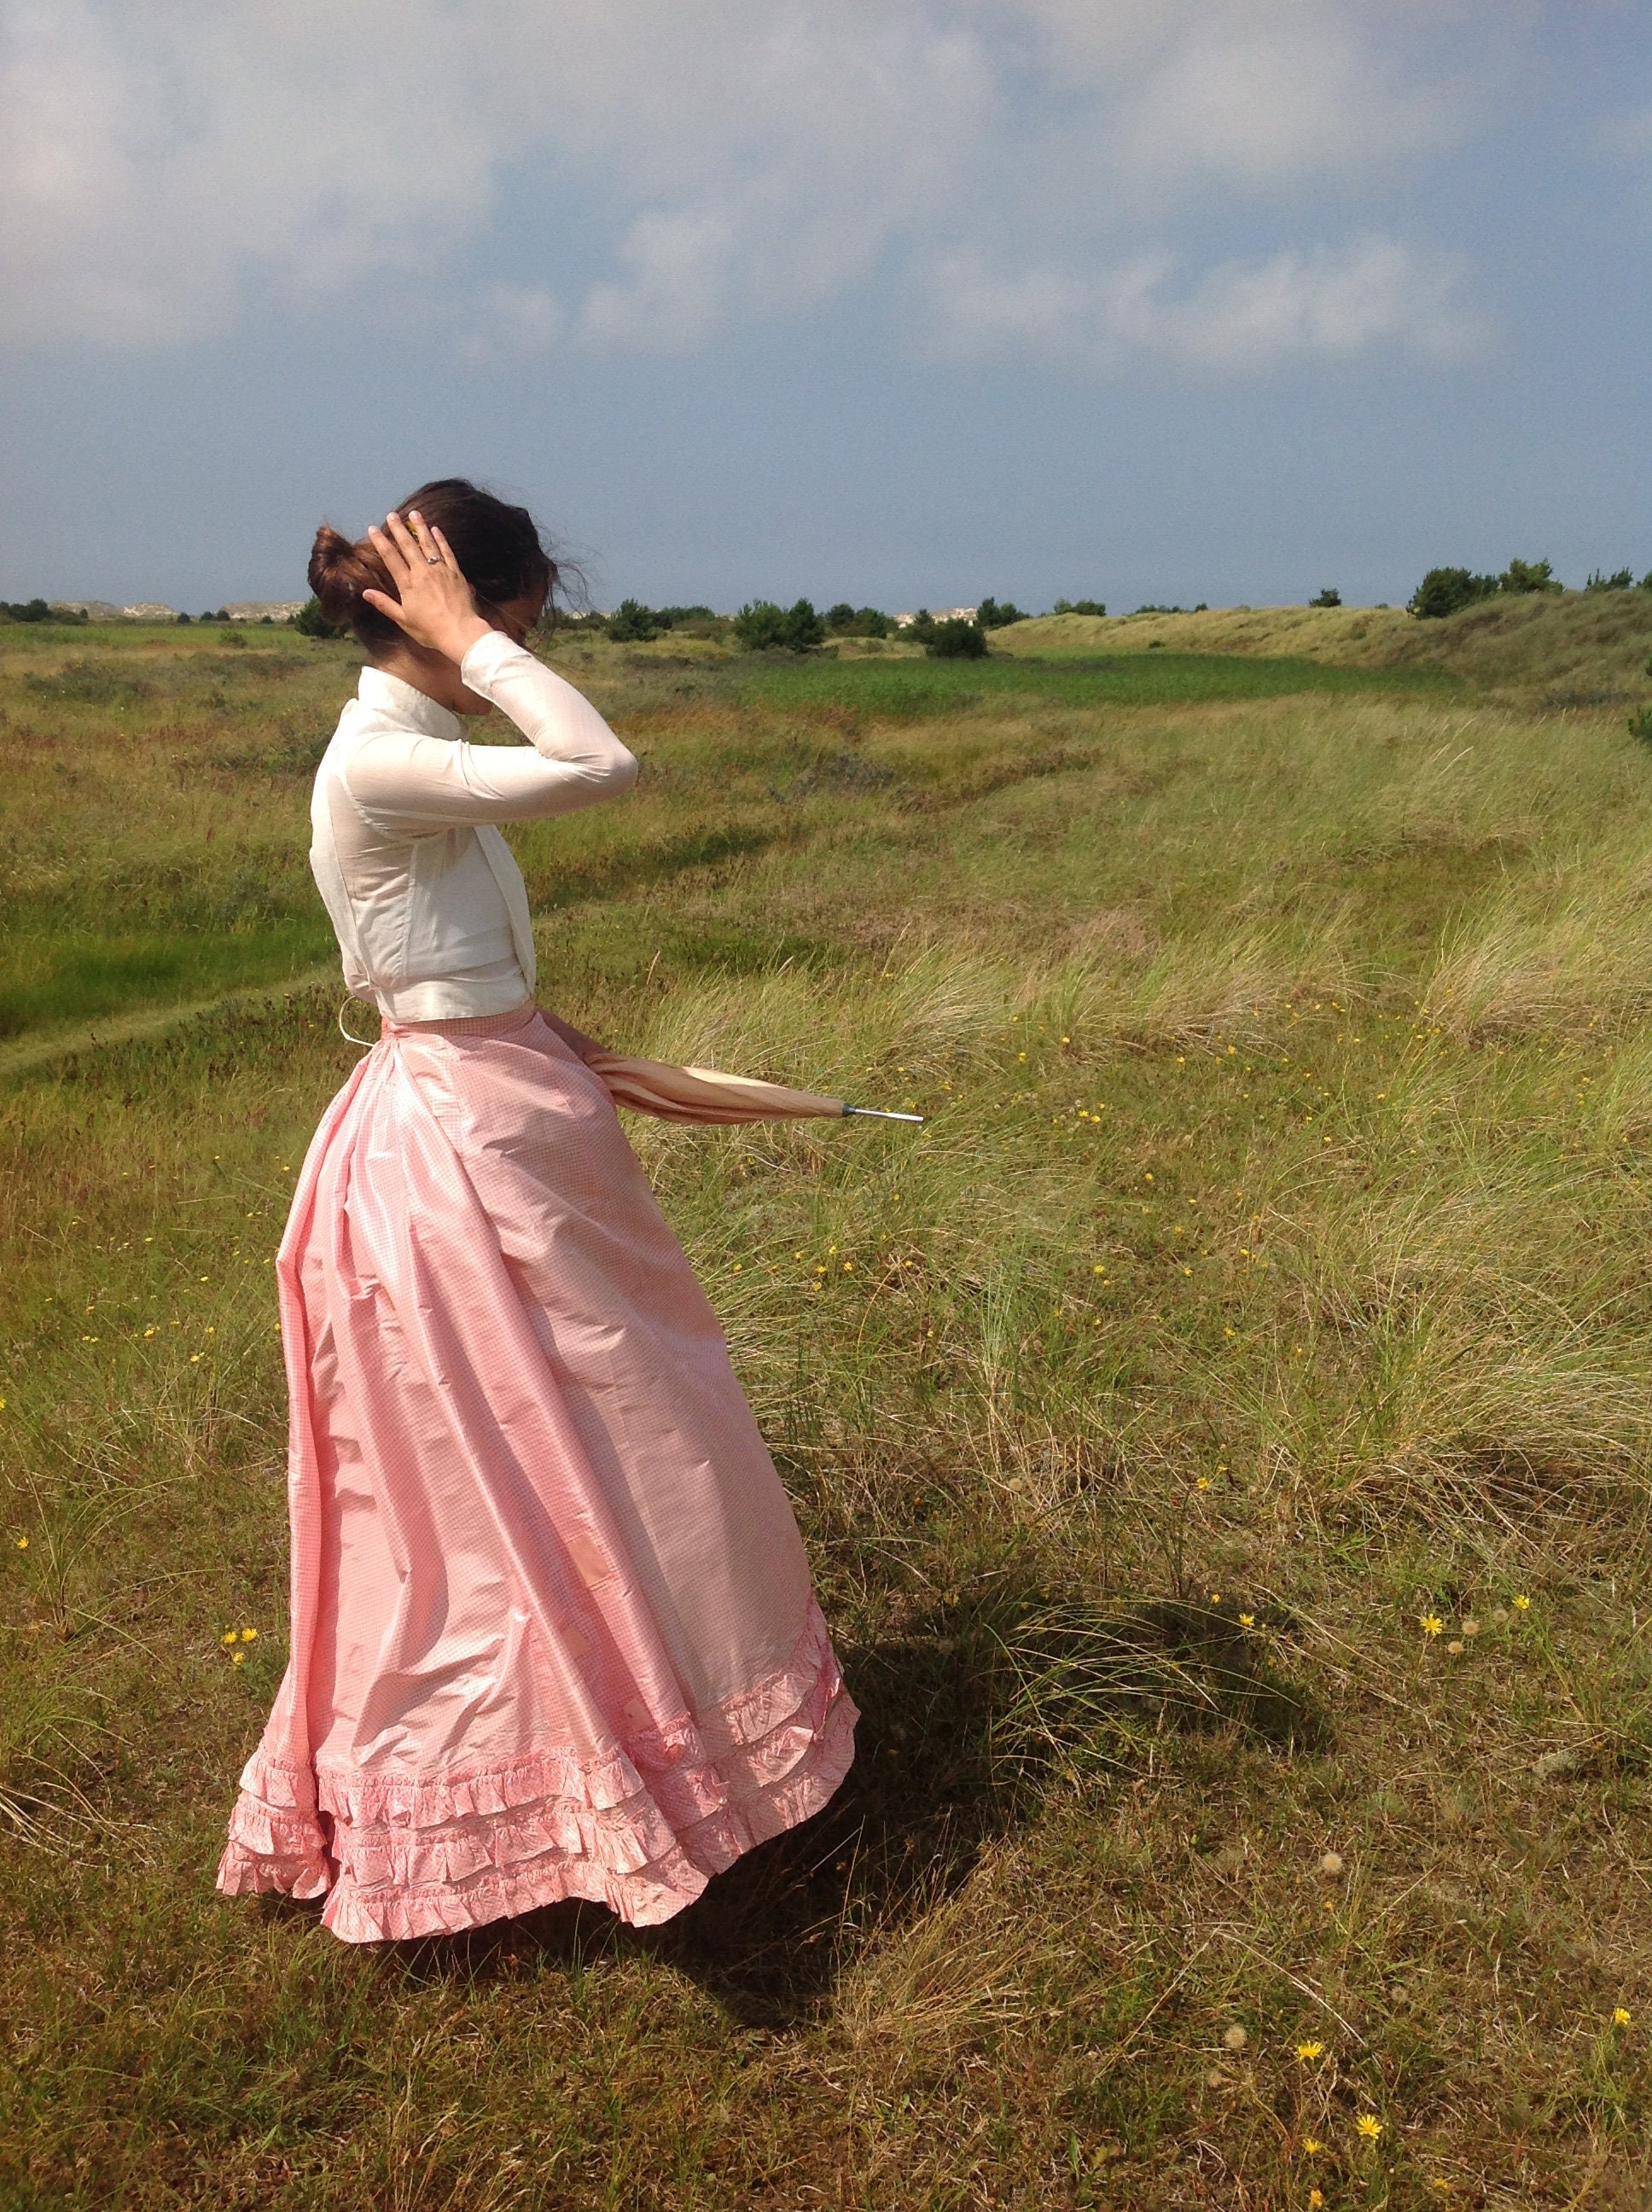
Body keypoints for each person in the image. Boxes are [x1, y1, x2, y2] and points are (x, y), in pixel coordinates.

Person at [218, 480, 856, 1941]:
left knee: (632, 1439)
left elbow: (452, 956)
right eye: (528, 617)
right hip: (458, 1150)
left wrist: (563, 1040)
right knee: (508, 1481)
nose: (533, 642)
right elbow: (598, 760)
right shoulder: (382, 758)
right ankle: (559, 1778)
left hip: (513, 1109)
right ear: (464, 609)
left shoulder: (419, 750)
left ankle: (647, 1738)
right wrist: (477, 640)